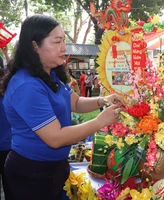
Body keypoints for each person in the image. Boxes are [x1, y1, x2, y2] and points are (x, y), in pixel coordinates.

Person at [0, 14, 125, 200]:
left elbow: (74, 102)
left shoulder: (50, 74)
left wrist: (103, 100)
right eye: (57, 42)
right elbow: (55, 138)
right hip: (32, 173)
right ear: (35, 46)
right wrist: (100, 121)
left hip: (55, 167)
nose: (64, 48)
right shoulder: (27, 85)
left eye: (64, 41)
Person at [0, 51, 12, 200]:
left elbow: (13, 71)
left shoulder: (8, 96)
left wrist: (6, 53)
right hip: (8, 147)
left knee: (9, 185)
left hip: (9, 147)